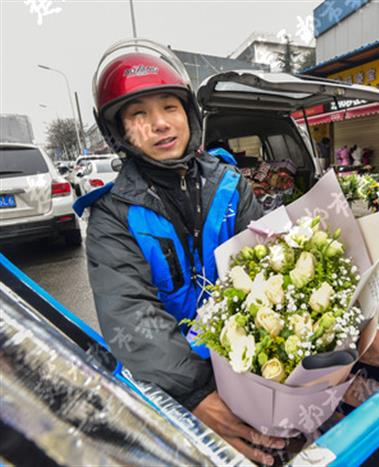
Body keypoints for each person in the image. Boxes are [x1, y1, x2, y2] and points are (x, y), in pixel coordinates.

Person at [80, 39, 285, 465]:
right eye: (138, 114)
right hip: (175, 389)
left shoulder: (231, 185)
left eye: (169, 107)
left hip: (250, 365)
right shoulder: (111, 218)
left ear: (188, 114)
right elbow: (132, 315)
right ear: (118, 132)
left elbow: (267, 270)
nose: (159, 124)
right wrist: (197, 395)